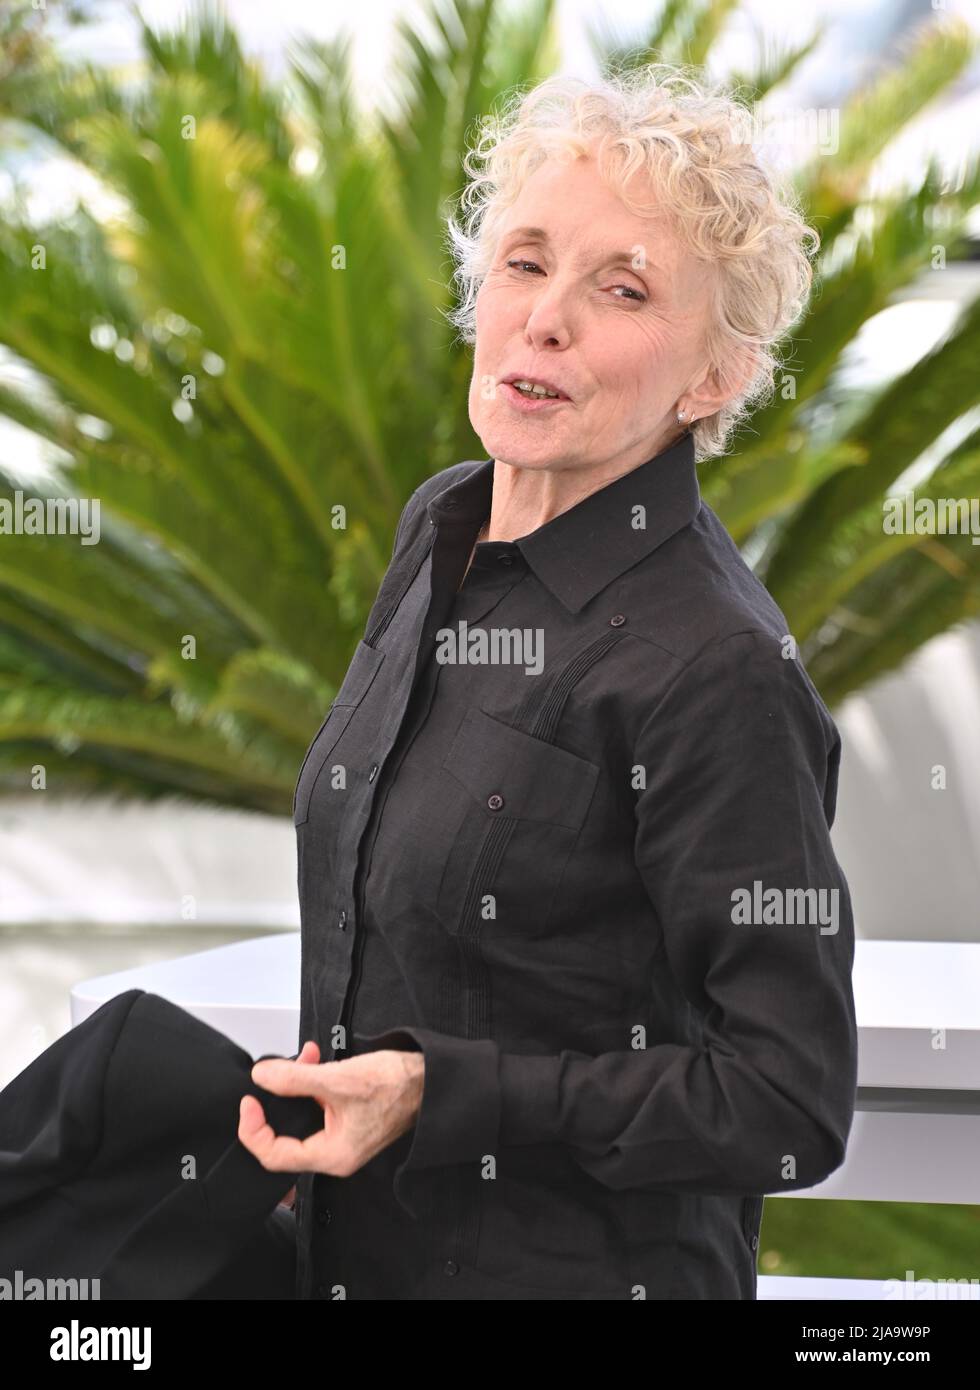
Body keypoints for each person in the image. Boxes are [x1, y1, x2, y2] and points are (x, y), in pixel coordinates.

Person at [237, 64, 858, 1300]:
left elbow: (785, 1096)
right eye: (523, 264)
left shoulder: (715, 667)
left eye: (620, 289)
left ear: (714, 378)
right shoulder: (440, 529)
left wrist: (440, 1094)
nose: (545, 319)